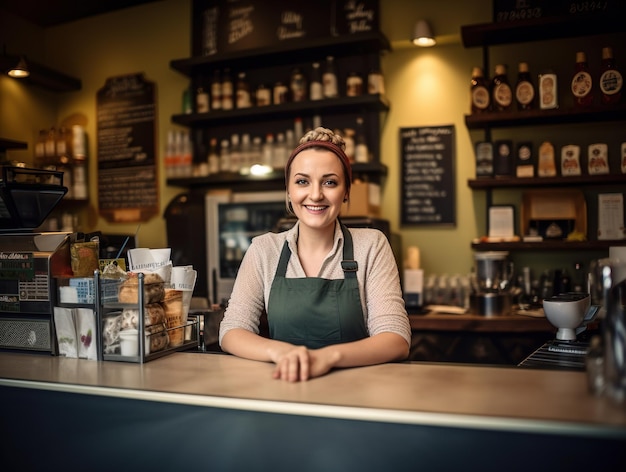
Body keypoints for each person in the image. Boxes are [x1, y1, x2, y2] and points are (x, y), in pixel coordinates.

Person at [219, 127, 411, 382]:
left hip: (360, 395)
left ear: (346, 192)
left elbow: (396, 338)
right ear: (288, 190)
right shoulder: (264, 250)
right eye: (302, 181)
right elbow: (232, 330)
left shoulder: (372, 246)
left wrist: (327, 357)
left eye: (329, 182)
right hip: (284, 386)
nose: (316, 194)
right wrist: (281, 352)